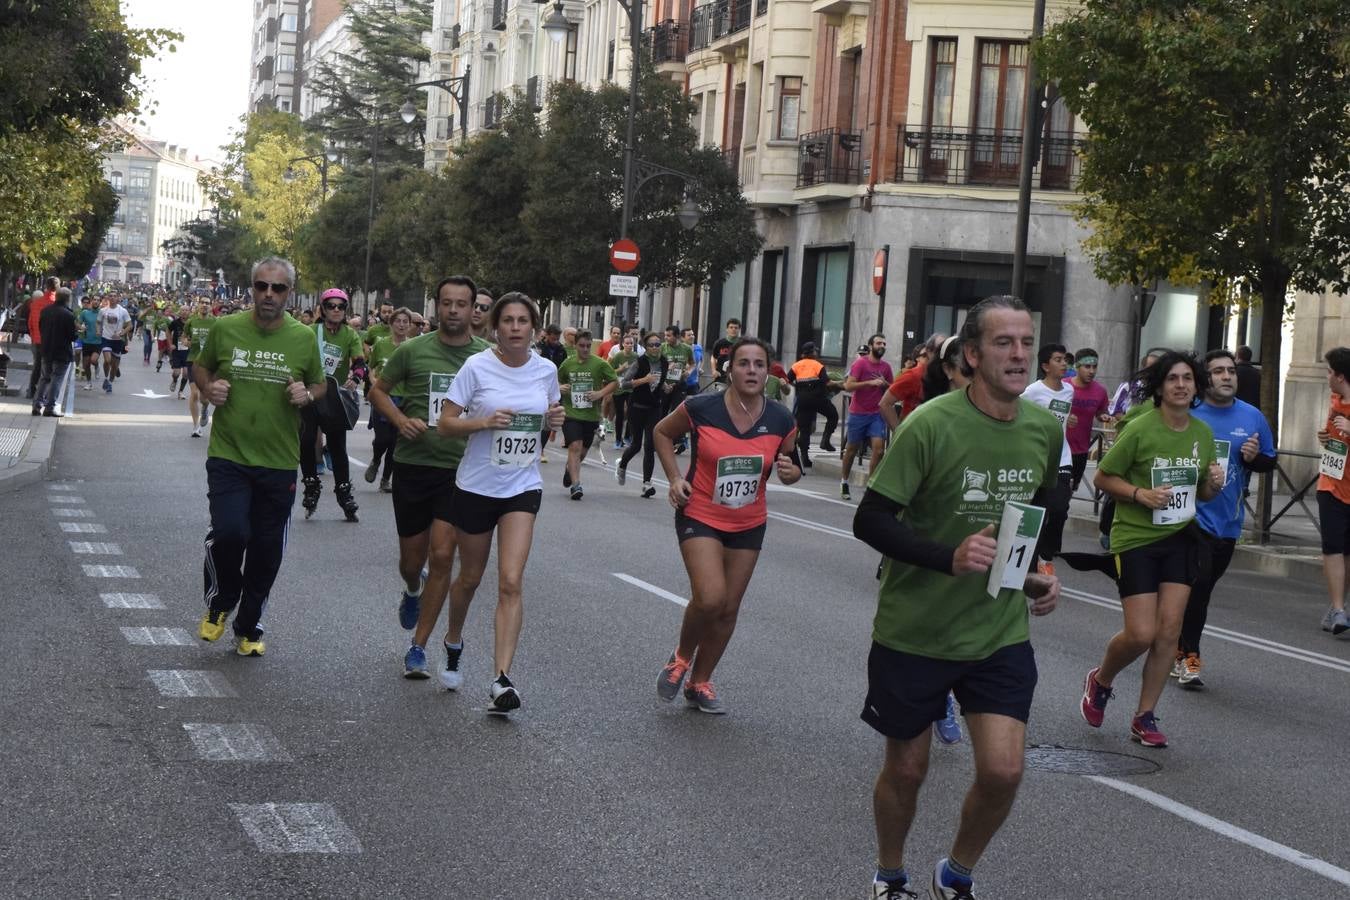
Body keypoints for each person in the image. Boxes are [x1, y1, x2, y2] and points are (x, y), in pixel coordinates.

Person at [851, 296, 1062, 900]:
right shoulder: (930, 424)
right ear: (972, 355)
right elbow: (871, 520)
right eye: (1004, 343)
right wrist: (948, 556)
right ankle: (890, 874)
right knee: (909, 769)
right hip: (915, 629)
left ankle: (957, 873)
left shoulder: (1044, 430)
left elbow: (1037, 517)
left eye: (1026, 341)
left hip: (997, 630)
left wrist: (1037, 571)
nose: (1020, 354)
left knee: (1003, 770)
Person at [1082, 351, 1223, 748]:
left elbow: (1204, 495)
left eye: (1188, 379)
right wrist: (1140, 494)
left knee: (1168, 632)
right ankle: (1101, 679)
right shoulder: (1140, 428)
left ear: (1196, 387)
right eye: (1173, 379)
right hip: (1136, 539)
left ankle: (1144, 716)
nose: (1181, 385)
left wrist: (1215, 481)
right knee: (1141, 633)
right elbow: (1103, 478)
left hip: (1180, 537)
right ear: (1160, 387)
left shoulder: (1202, 433)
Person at [653, 337, 800, 714]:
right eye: (744, 364)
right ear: (729, 370)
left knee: (729, 608)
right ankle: (680, 658)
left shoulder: (782, 418)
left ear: (768, 371)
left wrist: (791, 471)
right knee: (711, 597)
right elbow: (662, 433)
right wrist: (673, 478)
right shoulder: (701, 407)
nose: (752, 371)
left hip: (749, 521)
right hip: (700, 511)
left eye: (759, 364)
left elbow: (791, 465)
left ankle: (700, 682)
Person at [435, 292, 564, 712]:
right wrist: (484, 421)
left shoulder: (546, 370)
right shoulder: (476, 367)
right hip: (476, 485)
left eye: (522, 321)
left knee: (510, 580)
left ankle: (501, 678)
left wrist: (553, 419)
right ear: (495, 326)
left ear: (534, 329)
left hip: (522, 486)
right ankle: (453, 639)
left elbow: (545, 417)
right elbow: (446, 424)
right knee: (470, 578)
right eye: (507, 320)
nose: (514, 327)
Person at [194, 258, 325, 657]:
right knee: (231, 532)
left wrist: (307, 394)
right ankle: (220, 601)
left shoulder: (303, 338)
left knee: (267, 549)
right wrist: (209, 386)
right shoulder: (225, 328)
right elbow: (200, 368)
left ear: (289, 292)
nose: (269, 294)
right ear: (251, 288)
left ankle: (249, 625)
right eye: (262, 286)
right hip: (229, 454)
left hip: (279, 460)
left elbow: (319, 384)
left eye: (278, 288)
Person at [370, 277, 491, 679]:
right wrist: (401, 420)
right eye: (448, 303)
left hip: (461, 471)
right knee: (412, 561)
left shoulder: (487, 358)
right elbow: (379, 392)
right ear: (437, 306)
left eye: (463, 304)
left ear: (475, 309)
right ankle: (411, 588)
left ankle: (418, 647)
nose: (455, 311)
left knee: (443, 557)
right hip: (415, 464)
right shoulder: (412, 350)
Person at [1172, 349, 1276, 686]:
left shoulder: (1252, 417)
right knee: (1199, 586)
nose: (1227, 376)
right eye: (1218, 371)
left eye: (1231, 370)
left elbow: (1268, 462)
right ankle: (1189, 655)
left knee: (1201, 589)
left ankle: (1176, 641)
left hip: (1228, 522)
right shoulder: (1189, 414)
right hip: (1189, 518)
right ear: (1206, 379)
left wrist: (1254, 457)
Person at [300, 288, 366, 522]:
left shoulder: (349, 335)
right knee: (307, 441)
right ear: (323, 309)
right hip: (311, 393)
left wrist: (356, 377)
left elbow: (359, 363)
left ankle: (344, 492)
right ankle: (311, 484)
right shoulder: (311, 331)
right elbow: (298, 358)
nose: (336, 310)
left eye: (341, 306)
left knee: (338, 446)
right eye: (331, 306)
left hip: (334, 397)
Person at [1020, 343, 1076, 575]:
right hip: (1036, 457)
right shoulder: (1033, 391)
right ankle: (1031, 559)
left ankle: (1046, 553)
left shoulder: (1069, 391)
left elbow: (1062, 418)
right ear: (1045, 366)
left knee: (1060, 508)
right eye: (1058, 360)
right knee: (1038, 509)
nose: (1064, 364)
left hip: (1062, 456)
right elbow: (1018, 411)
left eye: (1065, 360)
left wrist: (1069, 419)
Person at [557, 330, 618, 500]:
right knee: (575, 447)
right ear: (575, 345)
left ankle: (570, 468)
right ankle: (576, 486)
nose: (585, 349)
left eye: (588, 346)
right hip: (571, 414)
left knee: (582, 452)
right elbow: (556, 379)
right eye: (582, 346)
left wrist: (600, 393)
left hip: (591, 416)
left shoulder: (599, 364)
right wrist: (560, 387)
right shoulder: (567, 364)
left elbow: (614, 382)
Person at [1316, 347, 1350, 636]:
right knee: (1333, 547)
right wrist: (1325, 436)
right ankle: (1339, 609)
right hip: (1330, 483)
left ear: (1340, 376)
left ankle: (1337, 606)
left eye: (1328, 371)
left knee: (1347, 552)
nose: (1326, 376)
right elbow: (1331, 440)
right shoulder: (1335, 400)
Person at [364, 306, 414, 492]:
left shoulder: (413, 346)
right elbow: (371, 368)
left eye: (405, 322)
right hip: (384, 397)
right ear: (391, 324)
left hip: (404, 398)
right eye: (398, 321)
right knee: (382, 439)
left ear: (409, 326)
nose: (401, 325)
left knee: (395, 442)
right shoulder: (381, 344)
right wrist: (374, 382)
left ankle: (385, 480)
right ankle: (376, 459)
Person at [840, 333, 894, 500]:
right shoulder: (860, 364)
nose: (882, 346)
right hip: (858, 413)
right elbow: (848, 386)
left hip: (877, 414)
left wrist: (885, 384)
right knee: (851, 450)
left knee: (878, 450)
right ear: (871, 346)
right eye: (879, 343)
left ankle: (870, 487)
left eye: (884, 344)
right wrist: (869, 383)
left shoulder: (886, 367)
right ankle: (844, 481)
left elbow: (893, 388)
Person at [617, 332, 668, 498]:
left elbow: (659, 382)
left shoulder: (664, 362)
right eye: (652, 345)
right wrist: (643, 380)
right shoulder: (639, 362)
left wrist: (665, 386)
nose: (655, 347)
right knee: (636, 445)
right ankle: (622, 464)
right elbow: (624, 383)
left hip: (654, 408)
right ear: (646, 347)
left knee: (650, 446)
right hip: (637, 407)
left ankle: (647, 484)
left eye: (658, 344)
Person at [787, 341, 839, 468]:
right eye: (815, 350)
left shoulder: (796, 366)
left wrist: (798, 387)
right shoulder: (818, 365)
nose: (816, 352)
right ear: (812, 352)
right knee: (833, 415)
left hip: (802, 400)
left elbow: (787, 380)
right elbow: (827, 383)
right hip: (818, 398)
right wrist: (841, 384)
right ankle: (825, 441)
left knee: (804, 429)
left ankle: (805, 459)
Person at [1067, 348, 1112, 491]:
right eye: (1087, 367)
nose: (1091, 371)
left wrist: (1102, 416)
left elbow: (1100, 411)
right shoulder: (1064, 386)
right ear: (1077, 366)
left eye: (1095, 367)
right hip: (1059, 448)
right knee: (1056, 496)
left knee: (1071, 491)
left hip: (1081, 451)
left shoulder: (1100, 391)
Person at [879, 333, 945, 432]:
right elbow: (885, 404)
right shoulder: (914, 375)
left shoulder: (950, 374)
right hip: (914, 434)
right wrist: (899, 433)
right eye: (940, 350)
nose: (944, 355)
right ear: (929, 352)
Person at [32, 288, 77, 417]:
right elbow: (72, 336)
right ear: (67, 299)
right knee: (56, 379)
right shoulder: (68, 315)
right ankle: (49, 407)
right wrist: (78, 333)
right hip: (62, 352)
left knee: (45, 378)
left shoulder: (45, 311)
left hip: (46, 349)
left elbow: (40, 328)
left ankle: (36, 405)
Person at [185, 300, 216, 438]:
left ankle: (204, 408)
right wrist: (185, 341)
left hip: (208, 362)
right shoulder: (191, 321)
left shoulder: (216, 322)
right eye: (202, 302)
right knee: (195, 394)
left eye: (207, 303)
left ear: (211, 306)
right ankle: (196, 426)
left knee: (204, 397)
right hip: (192, 360)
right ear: (198, 305)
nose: (204, 305)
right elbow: (184, 336)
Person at [607, 334, 638, 449]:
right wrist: (621, 369)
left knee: (631, 413)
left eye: (631, 343)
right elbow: (609, 371)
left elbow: (640, 371)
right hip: (619, 388)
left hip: (631, 388)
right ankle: (618, 440)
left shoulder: (636, 357)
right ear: (623, 345)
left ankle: (627, 437)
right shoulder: (618, 356)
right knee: (620, 414)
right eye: (627, 343)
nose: (629, 345)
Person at [25, 283, 55, 399]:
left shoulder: (34, 305)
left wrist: (33, 336)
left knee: (37, 366)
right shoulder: (51, 303)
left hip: (36, 340)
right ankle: (42, 393)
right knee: (46, 367)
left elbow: (30, 324)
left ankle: (31, 391)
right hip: (47, 340)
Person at [97, 294, 131, 393]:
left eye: (114, 296)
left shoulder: (123, 311)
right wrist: (98, 331)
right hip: (106, 338)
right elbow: (98, 322)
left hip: (118, 341)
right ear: (108, 298)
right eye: (110, 296)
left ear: (118, 299)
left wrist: (122, 333)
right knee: (107, 360)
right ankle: (106, 378)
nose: (112, 297)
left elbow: (130, 325)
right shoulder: (103, 310)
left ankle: (110, 383)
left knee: (115, 366)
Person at [167, 306, 191, 399]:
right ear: (180, 312)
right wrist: (170, 343)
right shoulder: (175, 322)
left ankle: (180, 392)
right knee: (176, 373)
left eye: (186, 310)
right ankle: (174, 380)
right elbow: (168, 331)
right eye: (183, 310)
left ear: (189, 312)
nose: (184, 312)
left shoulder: (191, 322)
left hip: (188, 351)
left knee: (186, 373)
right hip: (177, 350)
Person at [77, 296, 101, 389]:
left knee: (93, 360)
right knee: (86, 364)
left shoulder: (102, 313)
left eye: (98, 300)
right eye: (94, 300)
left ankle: (97, 366)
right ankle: (89, 382)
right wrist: (81, 327)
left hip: (98, 341)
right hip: (86, 341)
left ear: (100, 302)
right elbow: (77, 322)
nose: (96, 301)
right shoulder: (85, 312)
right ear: (91, 302)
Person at [708, 318, 741, 383]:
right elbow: (714, 357)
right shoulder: (719, 343)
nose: (733, 329)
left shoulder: (743, 343)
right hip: (721, 379)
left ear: (739, 330)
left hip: (738, 380)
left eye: (736, 328)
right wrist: (714, 370)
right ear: (727, 329)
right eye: (731, 327)